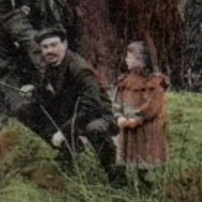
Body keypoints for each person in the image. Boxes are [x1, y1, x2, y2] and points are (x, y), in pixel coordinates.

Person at [11, 27, 120, 177]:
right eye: (45, 47)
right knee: (24, 110)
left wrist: (64, 131)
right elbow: (53, 93)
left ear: (65, 44)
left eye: (54, 45)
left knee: (94, 129)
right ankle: (70, 149)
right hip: (71, 111)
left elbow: (92, 106)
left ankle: (114, 172)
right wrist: (35, 91)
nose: (49, 50)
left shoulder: (79, 68)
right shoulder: (51, 65)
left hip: (97, 115)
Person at [112, 40, 170, 183]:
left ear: (142, 61)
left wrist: (138, 118)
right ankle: (123, 182)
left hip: (146, 128)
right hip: (126, 125)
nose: (126, 60)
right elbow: (117, 101)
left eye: (130, 57)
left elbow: (153, 106)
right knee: (125, 155)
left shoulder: (154, 83)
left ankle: (147, 184)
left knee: (145, 158)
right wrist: (119, 116)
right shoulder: (125, 81)